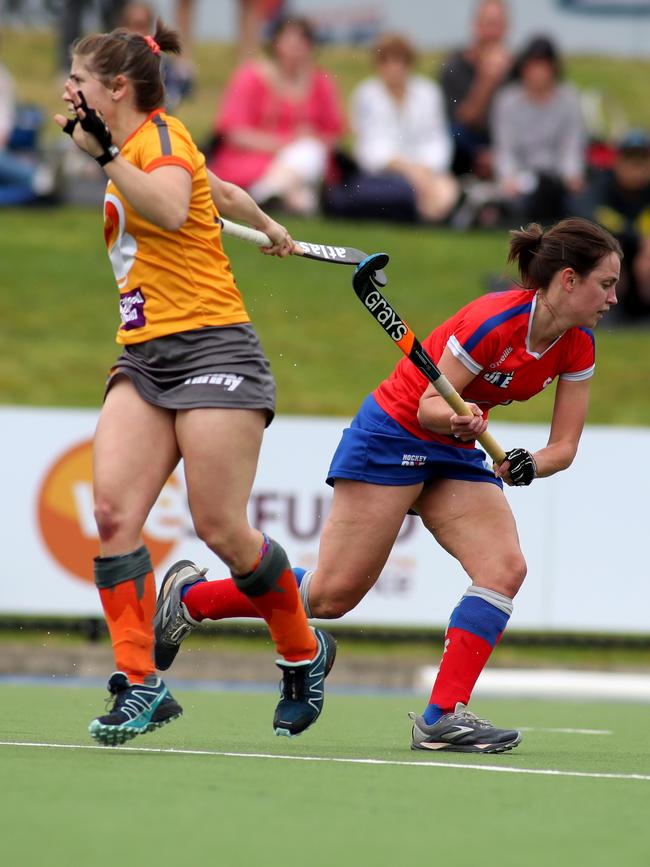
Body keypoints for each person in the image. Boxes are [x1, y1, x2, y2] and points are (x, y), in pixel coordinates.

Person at [152, 217, 621, 754]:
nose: (613, 297)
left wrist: (526, 464)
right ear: (567, 279)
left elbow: (564, 447)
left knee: (504, 568)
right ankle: (190, 600)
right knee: (331, 595)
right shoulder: (494, 321)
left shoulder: (577, 344)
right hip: (394, 433)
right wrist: (459, 417)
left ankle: (441, 718)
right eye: (605, 284)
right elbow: (426, 407)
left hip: (455, 448)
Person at [54, 18, 336, 746]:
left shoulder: (160, 138)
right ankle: (139, 683)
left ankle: (304, 653)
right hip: (145, 357)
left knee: (222, 530)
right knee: (114, 514)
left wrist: (108, 156)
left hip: (216, 349)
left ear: (115, 89)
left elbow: (175, 205)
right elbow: (216, 192)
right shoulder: (146, 150)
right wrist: (268, 223)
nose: (69, 90)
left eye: (80, 79)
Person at [208, 16, 345, 216]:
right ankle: (281, 197)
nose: (295, 49)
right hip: (253, 158)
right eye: (290, 42)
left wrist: (306, 140)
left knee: (310, 152)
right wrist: (287, 142)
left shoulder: (321, 83)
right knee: (303, 194)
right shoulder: (250, 76)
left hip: (304, 163)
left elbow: (333, 136)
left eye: (302, 42)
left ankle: (264, 195)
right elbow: (234, 133)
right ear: (275, 43)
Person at [348, 33, 459, 224]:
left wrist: (423, 169)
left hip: (426, 171)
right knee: (407, 193)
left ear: (409, 64)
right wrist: (408, 170)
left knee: (447, 191)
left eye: (399, 61)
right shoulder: (366, 95)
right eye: (387, 62)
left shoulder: (429, 93)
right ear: (378, 65)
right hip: (383, 176)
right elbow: (369, 146)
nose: (394, 68)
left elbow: (437, 139)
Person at [491, 35, 586, 225]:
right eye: (533, 66)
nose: (538, 73)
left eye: (543, 66)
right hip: (522, 181)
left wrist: (572, 175)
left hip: (557, 181)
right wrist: (508, 178)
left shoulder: (569, 100)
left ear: (554, 69)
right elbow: (505, 148)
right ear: (523, 68)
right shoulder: (507, 101)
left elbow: (571, 145)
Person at [573, 129, 650, 322]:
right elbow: (588, 216)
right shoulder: (602, 186)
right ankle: (607, 312)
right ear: (618, 162)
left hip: (641, 253)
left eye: (642, 161)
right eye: (630, 160)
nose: (637, 168)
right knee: (605, 258)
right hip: (613, 248)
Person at [439, 0, 512, 178]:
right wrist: (486, 80)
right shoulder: (455, 67)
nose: (492, 33)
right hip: (467, 147)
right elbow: (461, 121)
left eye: (498, 25)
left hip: (506, 145)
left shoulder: (518, 69)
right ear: (475, 26)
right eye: (488, 25)